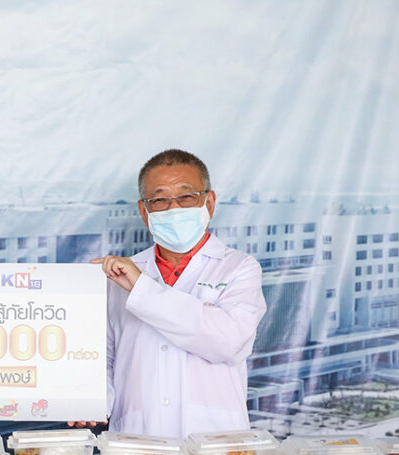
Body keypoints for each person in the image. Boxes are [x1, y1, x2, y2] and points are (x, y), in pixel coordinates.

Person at [87, 149, 266, 438]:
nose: (173, 208)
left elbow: (229, 342)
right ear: (144, 211)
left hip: (214, 440)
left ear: (209, 202)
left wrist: (142, 288)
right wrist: (92, 403)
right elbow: (103, 357)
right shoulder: (119, 276)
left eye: (186, 196)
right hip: (137, 440)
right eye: (160, 200)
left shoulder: (239, 268)